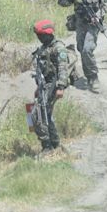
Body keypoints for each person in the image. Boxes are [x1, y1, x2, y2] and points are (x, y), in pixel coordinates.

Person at [56, 0, 107, 90]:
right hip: (80, 24)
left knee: (87, 50)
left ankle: (93, 77)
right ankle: (88, 75)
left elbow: (105, 6)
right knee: (81, 49)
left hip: (93, 25)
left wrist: (98, 16)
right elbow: (66, 3)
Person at [31, 20, 68, 154]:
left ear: (48, 34)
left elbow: (63, 69)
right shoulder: (43, 48)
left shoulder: (58, 48)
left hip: (54, 85)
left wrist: (61, 87)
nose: (39, 38)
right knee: (45, 114)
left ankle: (47, 146)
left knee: (37, 114)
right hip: (44, 86)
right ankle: (55, 144)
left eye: (41, 35)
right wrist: (38, 88)